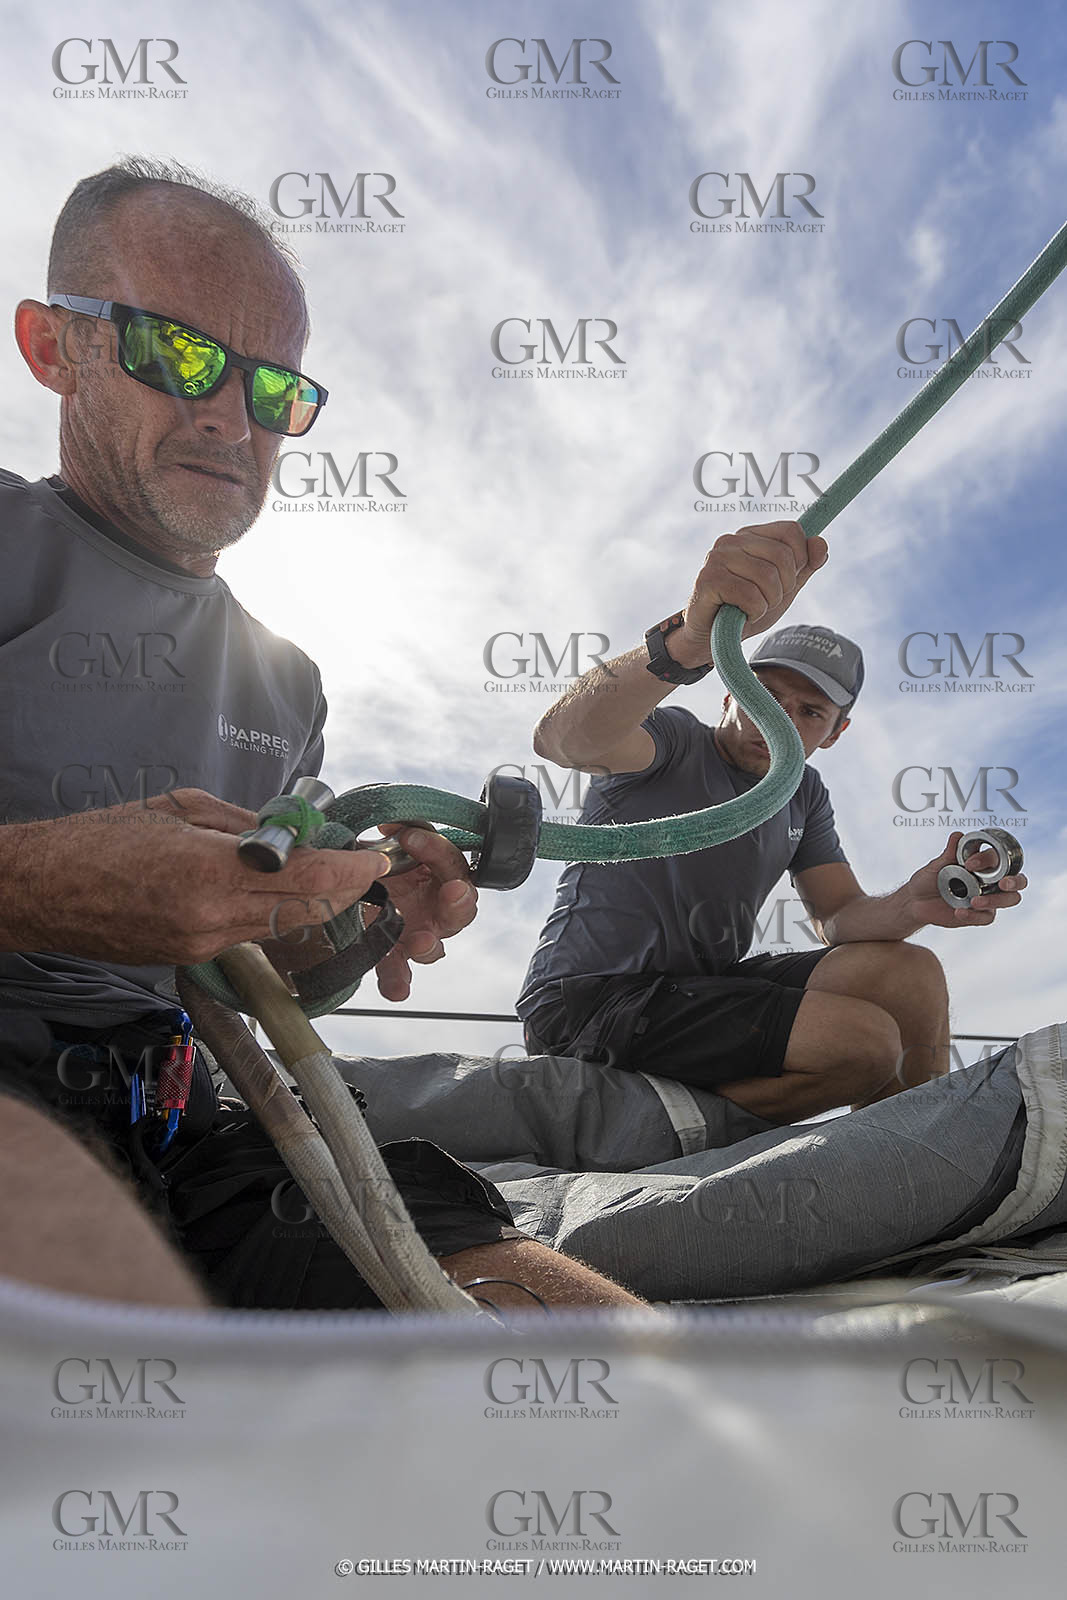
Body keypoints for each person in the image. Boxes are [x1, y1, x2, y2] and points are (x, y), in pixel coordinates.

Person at [0, 157, 642, 1313]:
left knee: (596, 1356)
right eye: (176, 352)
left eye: (273, 389)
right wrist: (32, 884)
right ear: (54, 347)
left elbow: (271, 970)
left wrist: (361, 910)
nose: (228, 415)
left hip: (198, 1131)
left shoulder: (284, 683)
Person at [516, 526, 1026, 1123]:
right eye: (764, 692)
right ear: (730, 691)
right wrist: (684, 644)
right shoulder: (675, 740)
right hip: (586, 1001)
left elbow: (838, 917)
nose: (778, 718)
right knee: (863, 1045)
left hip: (696, 993)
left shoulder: (803, 792)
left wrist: (912, 903)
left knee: (909, 973)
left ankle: (922, 1163)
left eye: (809, 712)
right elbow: (563, 740)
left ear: (835, 734)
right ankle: (654, 1137)